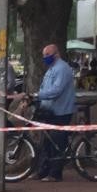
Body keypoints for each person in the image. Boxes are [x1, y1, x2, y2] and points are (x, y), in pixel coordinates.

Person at [32, 43, 76, 181]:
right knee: (47, 143)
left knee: (57, 143)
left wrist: (38, 95)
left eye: (47, 54)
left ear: (56, 54)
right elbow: (45, 87)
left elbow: (56, 90)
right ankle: (43, 171)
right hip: (50, 111)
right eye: (44, 55)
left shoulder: (62, 68)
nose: (45, 57)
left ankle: (55, 174)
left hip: (60, 111)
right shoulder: (51, 69)